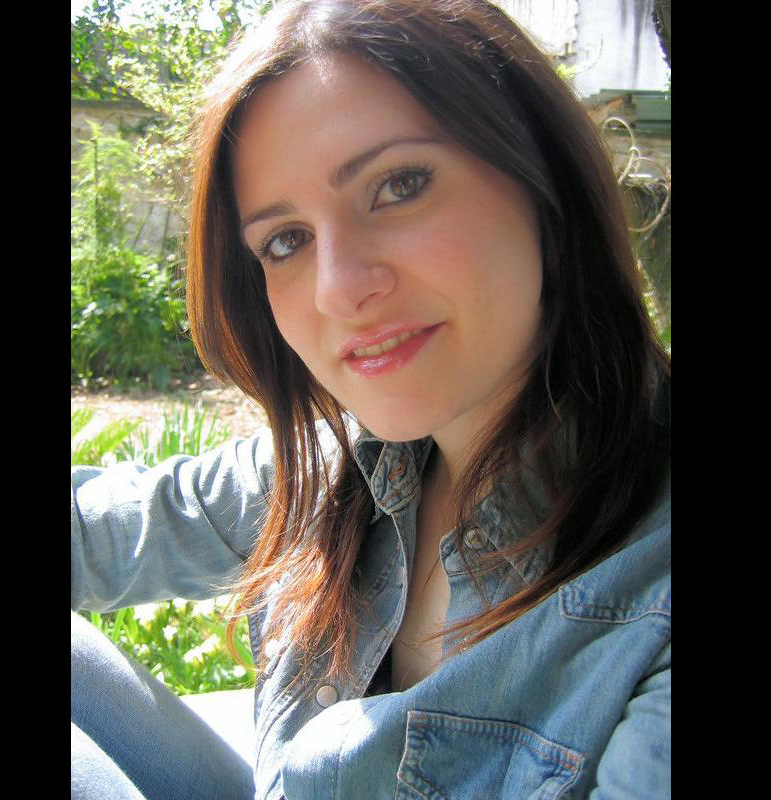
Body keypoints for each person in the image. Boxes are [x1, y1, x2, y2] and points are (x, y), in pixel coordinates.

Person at [71, 0, 671, 798]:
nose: (338, 289)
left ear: (543, 184)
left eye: (399, 185)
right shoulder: (334, 472)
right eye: (286, 240)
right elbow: (101, 532)